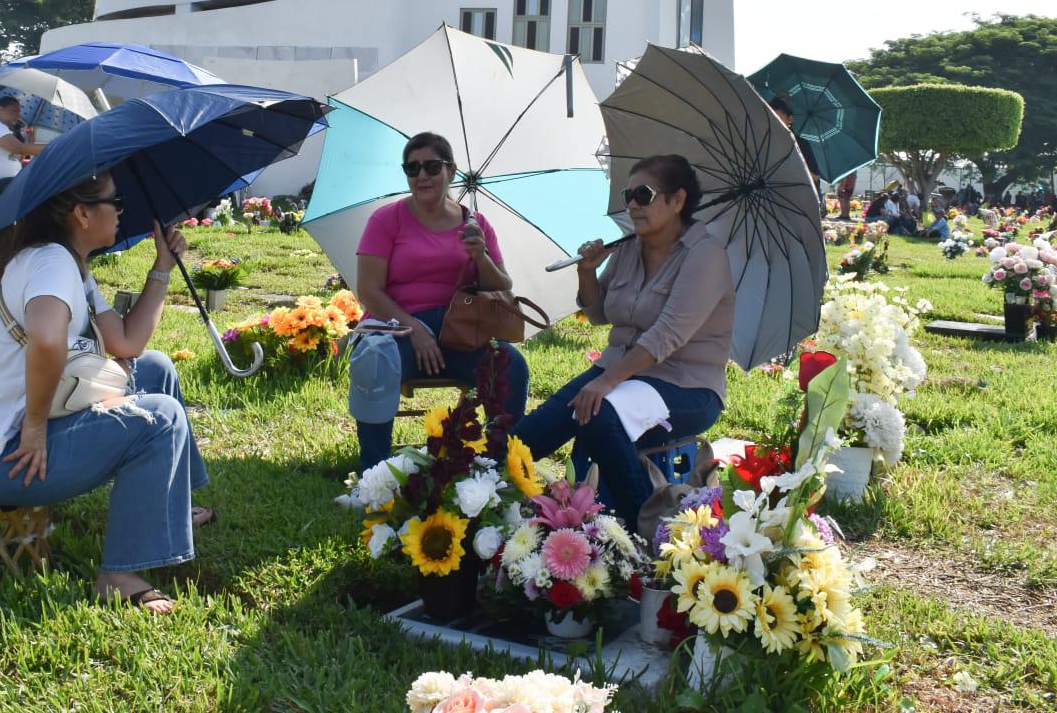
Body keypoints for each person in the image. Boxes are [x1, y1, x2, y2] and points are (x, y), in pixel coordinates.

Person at [0, 173, 210, 614]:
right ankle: (118, 577)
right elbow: (47, 340)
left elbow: (127, 344)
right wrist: (35, 427)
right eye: (113, 202)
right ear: (82, 213)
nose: (121, 211)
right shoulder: (51, 264)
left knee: (157, 368)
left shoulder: (72, 266)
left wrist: (161, 267)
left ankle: (174, 504)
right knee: (160, 418)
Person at [512, 155, 732, 524]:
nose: (632, 204)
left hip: (683, 385)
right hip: (620, 374)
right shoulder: (629, 247)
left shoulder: (705, 256)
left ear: (677, 201)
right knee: (524, 439)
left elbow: (667, 335)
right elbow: (598, 314)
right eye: (629, 194)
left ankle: (642, 525)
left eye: (643, 194)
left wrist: (604, 382)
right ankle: (487, 511)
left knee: (599, 416)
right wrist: (586, 271)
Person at [349, 131, 530, 471]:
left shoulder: (475, 224)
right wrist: (414, 328)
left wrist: (480, 257)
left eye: (432, 167)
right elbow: (369, 290)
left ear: (452, 170)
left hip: (460, 332)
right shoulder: (386, 220)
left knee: (510, 365)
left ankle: (497, 467)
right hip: (397, 329)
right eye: (412, 168)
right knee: (373, 362)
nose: (421, 177)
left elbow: (502, 286)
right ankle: (373, 471)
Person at [0, 96, 47, 217]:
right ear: (0, 109)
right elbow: (20, 148)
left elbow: (22, 153)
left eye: (19, 112)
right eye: (14, 111)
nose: (18, 116)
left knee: (5, 229)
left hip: (5, 187)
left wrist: (32, 133)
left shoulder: (4, 130)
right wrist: (55, 146)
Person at [768, 96, 820, 191]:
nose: (774, 123)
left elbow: (815, 178)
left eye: (778, 118)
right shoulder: (766, 142)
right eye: (770, 118)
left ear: (790, 119)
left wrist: (795, 165)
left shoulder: (801, 144)